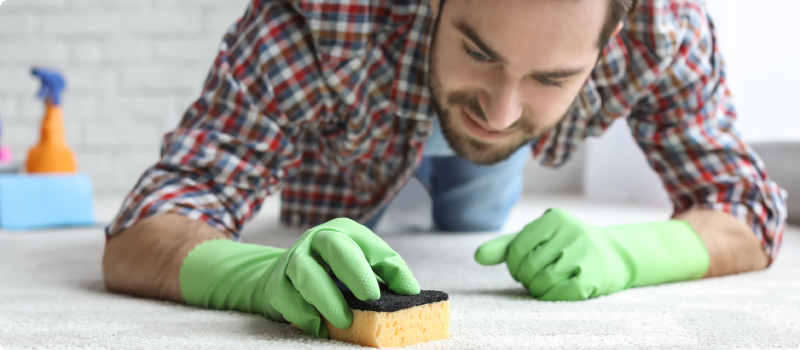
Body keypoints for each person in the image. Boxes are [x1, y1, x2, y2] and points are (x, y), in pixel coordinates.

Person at [102, 0, 787, 338]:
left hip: (491, 177)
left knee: (469, 224)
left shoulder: (665, 29)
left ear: (612, 41)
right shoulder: (314, 17)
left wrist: (629, 253)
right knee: (337, 245)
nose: (501, 107)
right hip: (343, 162)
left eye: (550, 77)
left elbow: (750, 211)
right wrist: (256, 277)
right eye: (479, 51)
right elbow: (145, 225)